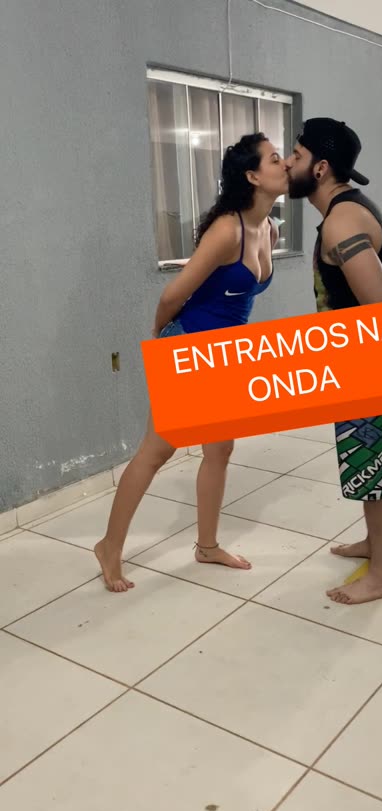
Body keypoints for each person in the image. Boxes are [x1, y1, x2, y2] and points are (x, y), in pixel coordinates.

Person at [95, 133, 287, 592]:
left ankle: (207, 546)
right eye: (275, 158)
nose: (284, 164)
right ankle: (109, 547)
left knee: (220, 449)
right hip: (189, 349)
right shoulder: (228, 231)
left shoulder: (269, 228)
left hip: (225, 356)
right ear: (252, 176)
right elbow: (172, 295)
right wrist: (163, 341)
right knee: (157, 451)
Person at [286, 117, 382, 605]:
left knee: (377, 468)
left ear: (320, 168)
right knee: (368, 465)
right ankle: (373, 545)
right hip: (359, 364)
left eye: (296, 156)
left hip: (373, 367)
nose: (288, 163)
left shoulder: (342, 222)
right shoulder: (348, 209)